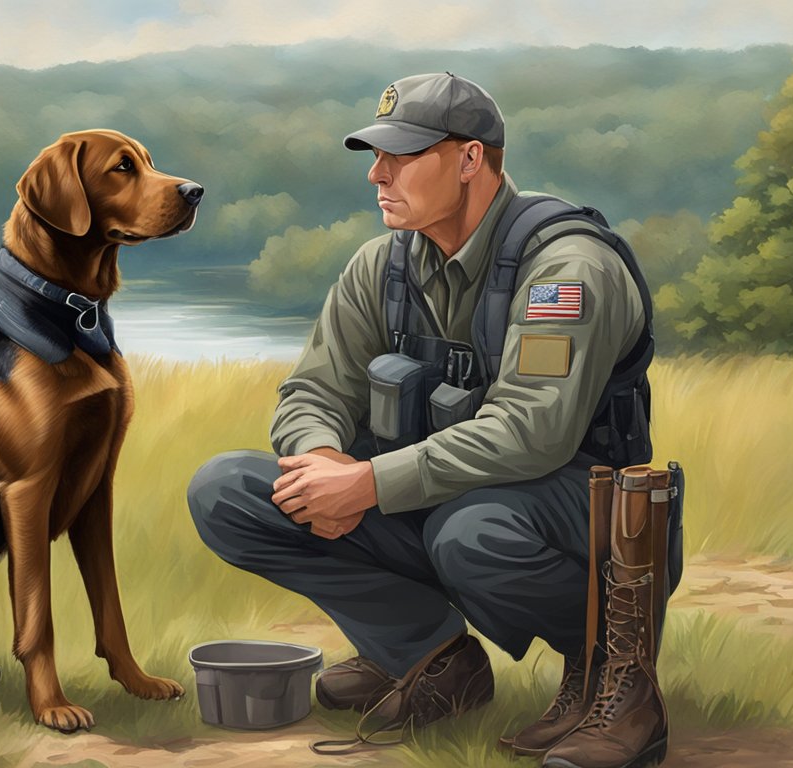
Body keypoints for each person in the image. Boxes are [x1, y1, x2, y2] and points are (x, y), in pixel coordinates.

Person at [188, 72, 659, 763]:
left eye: (402, 155)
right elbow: (312, 393)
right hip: (436, 501)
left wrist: (368, 486)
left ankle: (615, 677)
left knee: (471, 533)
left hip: (581, 524)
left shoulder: (566, 267)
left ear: (471, 160)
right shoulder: (382, 266)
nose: (377, 175)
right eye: (375, 156)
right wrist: (321, 460)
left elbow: (533, 431)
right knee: (227, 489)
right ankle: (429, 656)